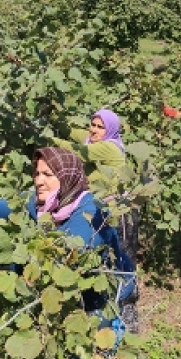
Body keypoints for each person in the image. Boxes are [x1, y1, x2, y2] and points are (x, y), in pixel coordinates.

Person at [0, 147, 139, 338]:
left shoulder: (92, 212)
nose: (39, 181)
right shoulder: (40, 204)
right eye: (36, 173)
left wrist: (7, 264)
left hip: (103, 301)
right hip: (68, 297)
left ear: (66, 176)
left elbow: (66, 256)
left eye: (47, 174)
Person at [48, 110, 140, 333]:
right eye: (92, 125)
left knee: (121, 264)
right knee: (101, 263)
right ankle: (102, 317)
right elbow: (77, 134)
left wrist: (49, 138)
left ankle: (129, 319)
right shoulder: (91, 137)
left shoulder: (109, 148)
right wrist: (56, 118)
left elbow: (80, 151)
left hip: (119, 214)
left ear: (110, 129)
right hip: (99, 212)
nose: (94, 130)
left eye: (100, 127)